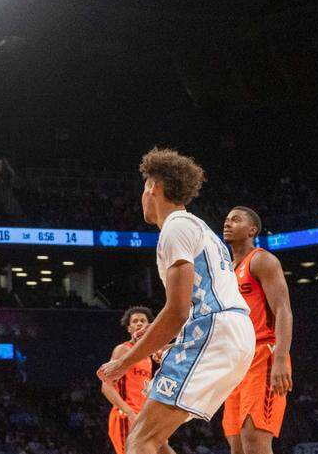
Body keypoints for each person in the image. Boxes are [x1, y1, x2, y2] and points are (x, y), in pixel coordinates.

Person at [98, 148, 255, 454]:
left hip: (217, 332)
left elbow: (177, 311)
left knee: (140, 440)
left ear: (153, 187)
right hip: (230, 333)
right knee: (155, 440)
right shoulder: (199, 228)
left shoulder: (175, 227)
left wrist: (123, 363)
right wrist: (168, 339)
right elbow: (196, 303)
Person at [220, 207, 293, 454]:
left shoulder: (262, 260)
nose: (227, 223)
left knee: (254, 441)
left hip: (263, 354)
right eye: (226, 220)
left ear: (252, 230)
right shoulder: (225, 271)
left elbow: (283, 311)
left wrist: (280, 359)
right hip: (235, 361)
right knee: (237, 446)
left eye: (235, 220)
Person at [102, 307, 175, 454]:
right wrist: (129, 413)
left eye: (143, 321)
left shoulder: (147, 356)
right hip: (126, 415)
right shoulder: (123, 350)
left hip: (144, 418)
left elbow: (168, 346)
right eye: (135, 321)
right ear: (129, 328)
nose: (139, 323)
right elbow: (106, 386)